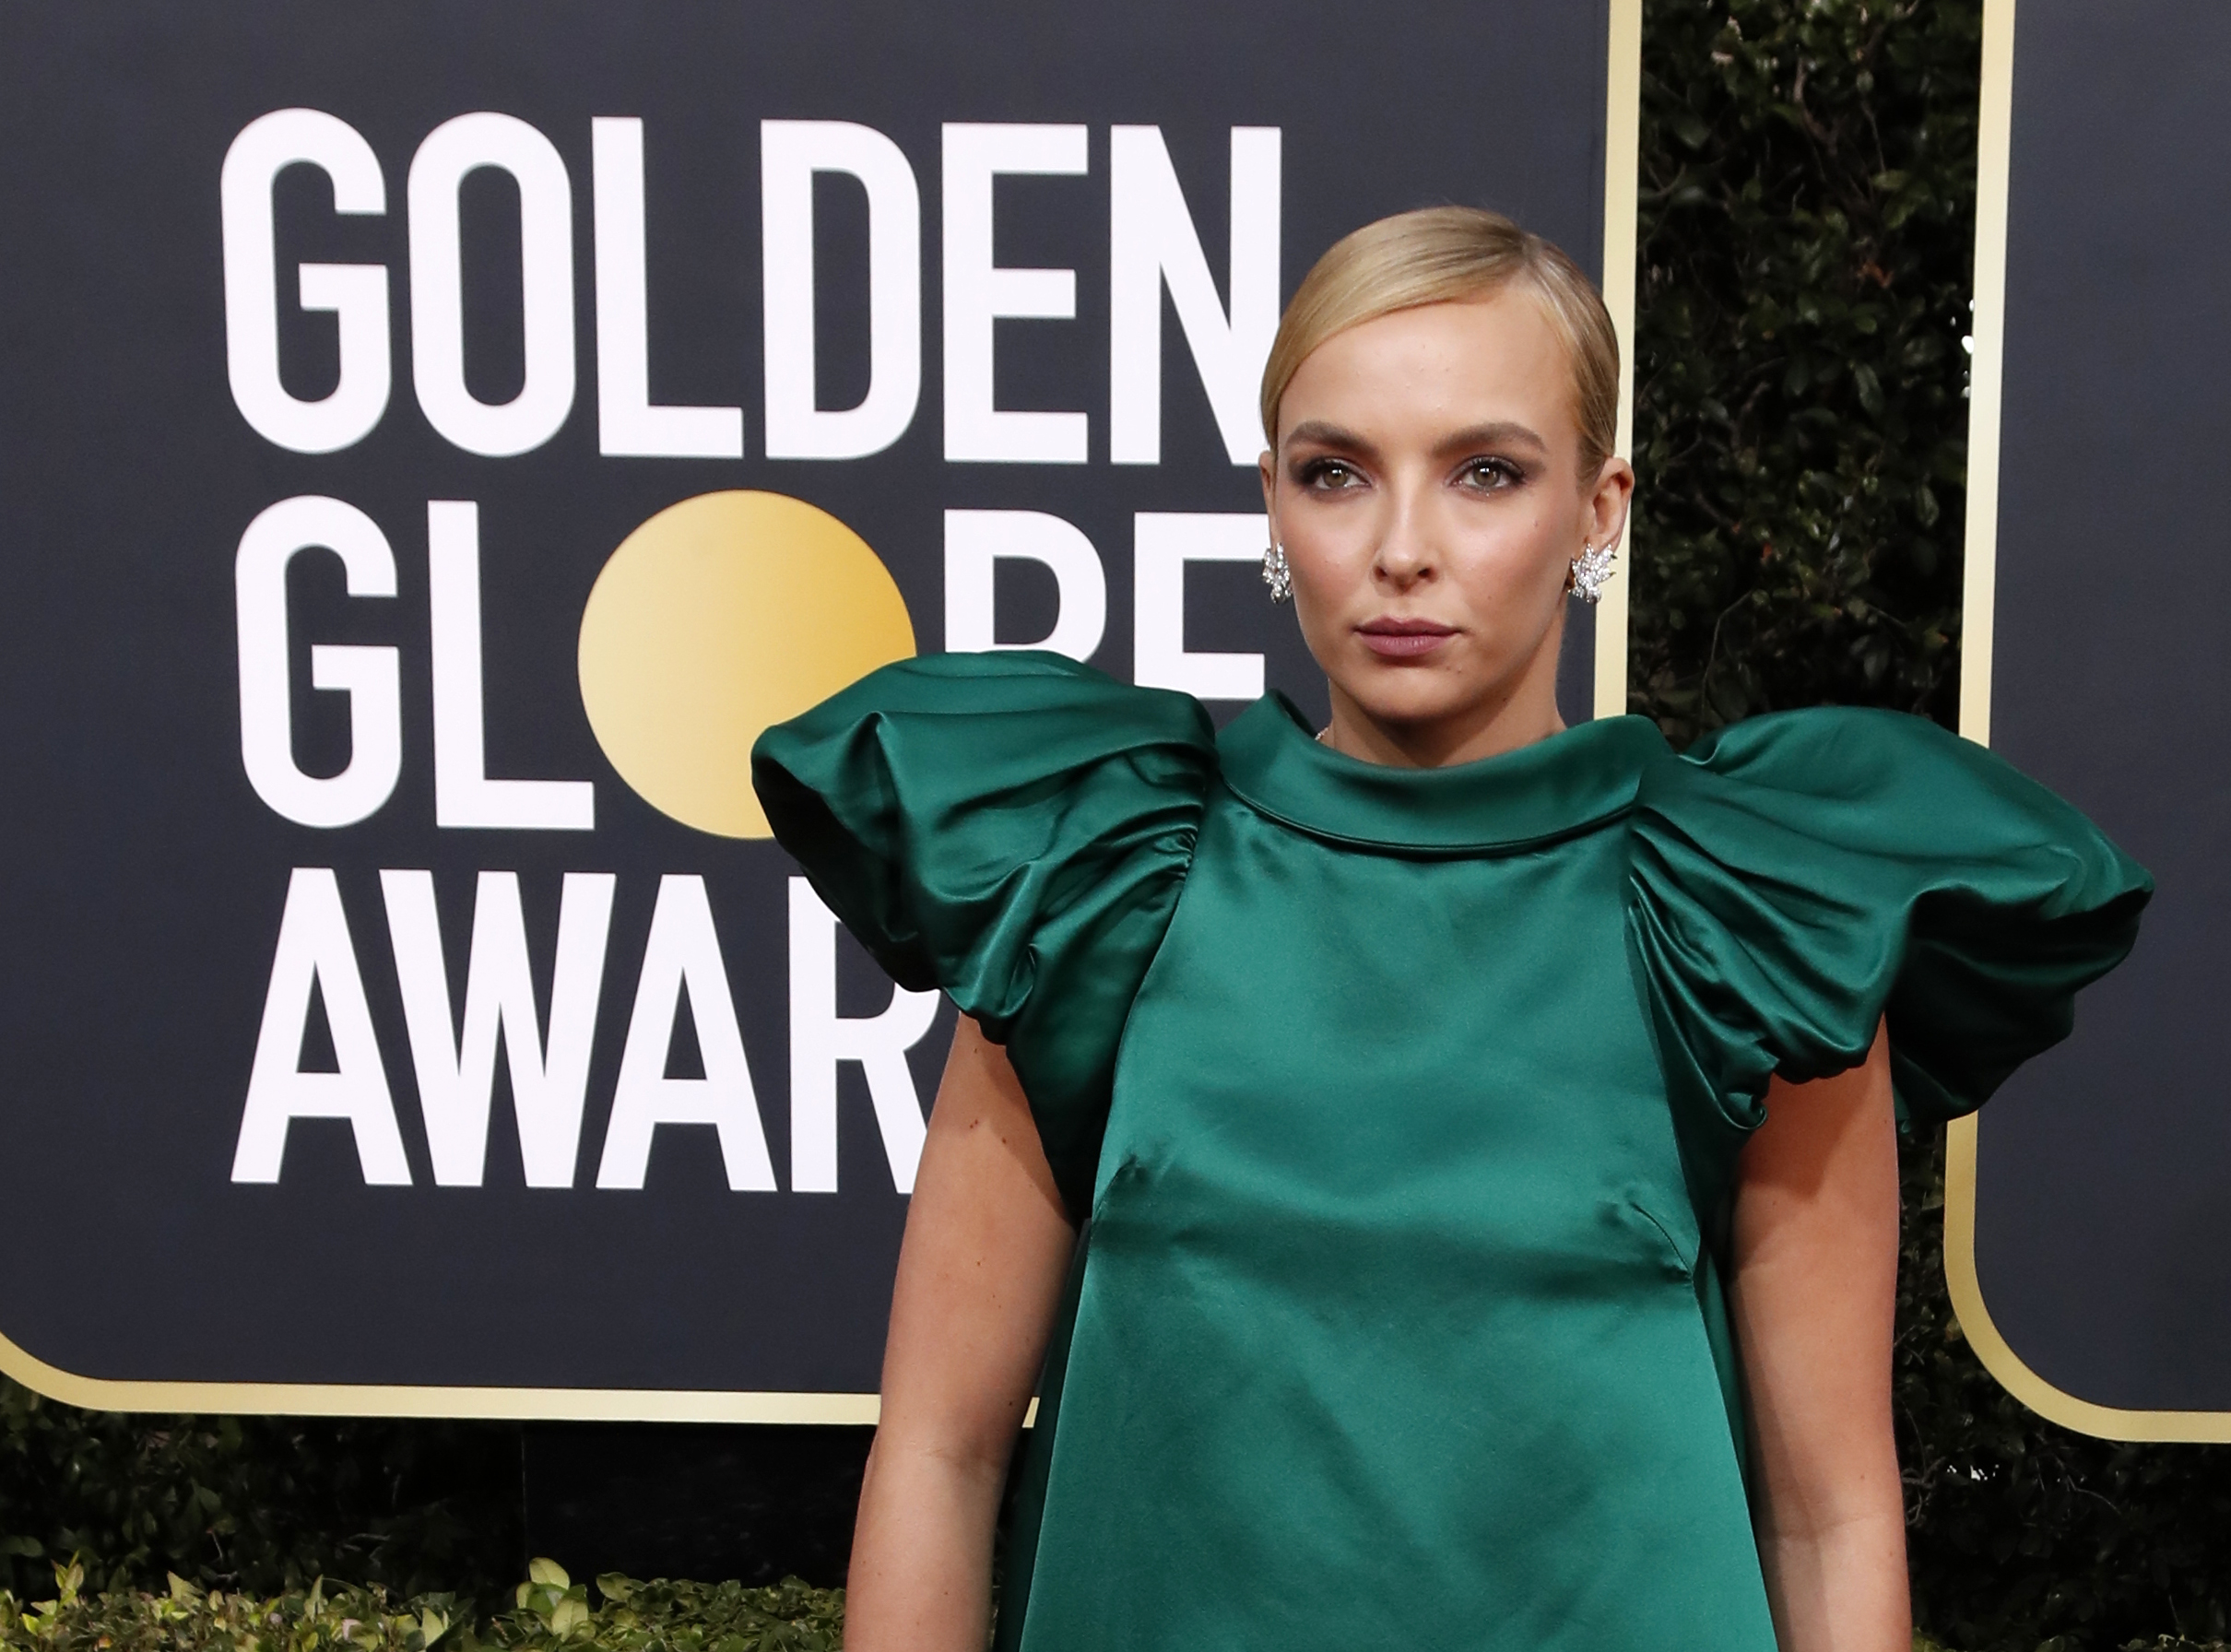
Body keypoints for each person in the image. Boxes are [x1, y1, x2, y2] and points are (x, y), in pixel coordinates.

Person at [752, 206, 2150, 1652]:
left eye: (1486, 473)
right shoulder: (1104, 880)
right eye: (1335, 473)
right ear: (1273, 504)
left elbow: (1829, 1515)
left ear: (1599, 509)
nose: (1401, 549)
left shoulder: (1739, 919)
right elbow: (938, 1452)